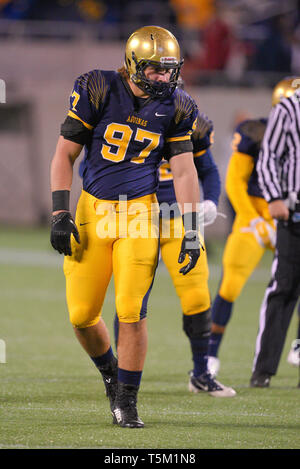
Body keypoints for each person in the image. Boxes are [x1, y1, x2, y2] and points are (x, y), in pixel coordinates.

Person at [50, 25, 204, 428]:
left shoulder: (179, 105)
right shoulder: (98, 87)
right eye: (155, 70)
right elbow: (64, 154)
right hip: (92, 211)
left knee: (131, 310)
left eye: (169, 70)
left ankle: (127, 400)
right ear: (134, 65)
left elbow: (186, 172)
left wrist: (191, 231)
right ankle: (109, 371)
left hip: (139, 214)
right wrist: (58, 212)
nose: (164, 78)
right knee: (82, 315)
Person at [114, 110, 236, 397]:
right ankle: (121, 375)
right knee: (131, 298)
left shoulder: (193, 125)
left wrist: (208, 200)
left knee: (197, 295)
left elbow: (207, 170)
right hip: (137, 217)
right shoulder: (123, 120)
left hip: (179, 218)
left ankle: (201, 372)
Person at [206, 77, 299, 378]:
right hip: (256, 214)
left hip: (290, 214)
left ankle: (296, 343)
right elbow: (234, 181)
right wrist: (256, 220)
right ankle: (210, 354)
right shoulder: (254, 131)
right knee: (230, 283)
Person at [250, 77, 300, 388]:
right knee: (283, 289)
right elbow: (268, 156)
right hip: (294, 214)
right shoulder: (290, 107)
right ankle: (264, 369)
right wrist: (274, 197)